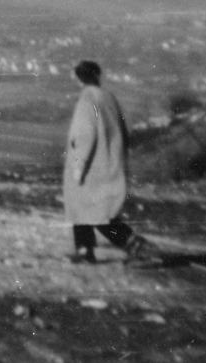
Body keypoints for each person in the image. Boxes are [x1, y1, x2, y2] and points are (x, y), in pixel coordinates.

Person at [63, 60, 152, 264]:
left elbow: (83, 135)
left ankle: (130, 241)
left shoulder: (86, 100)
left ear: (78, 78)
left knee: (92, 211)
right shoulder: (108, 97)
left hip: (91, 167)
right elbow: (123, 132)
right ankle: (85, 251)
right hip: (110, 163)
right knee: (92, 209)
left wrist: (79, 165)